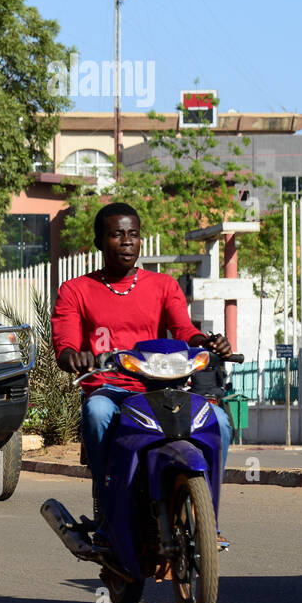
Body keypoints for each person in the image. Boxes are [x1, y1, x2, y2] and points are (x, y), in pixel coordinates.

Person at [52, 201, 233, 548]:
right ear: (99, 241)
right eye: (116, 234)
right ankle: (107, 508)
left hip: (163, 390)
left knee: (221, 423)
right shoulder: (75, 290)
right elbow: (66, 342)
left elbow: (183, 328)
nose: (126, 242)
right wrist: (74, 356)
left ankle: (208, 520)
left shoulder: (162, 285)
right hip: (112, 389)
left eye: (133, 234)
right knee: (96, 412)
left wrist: (206, 342)